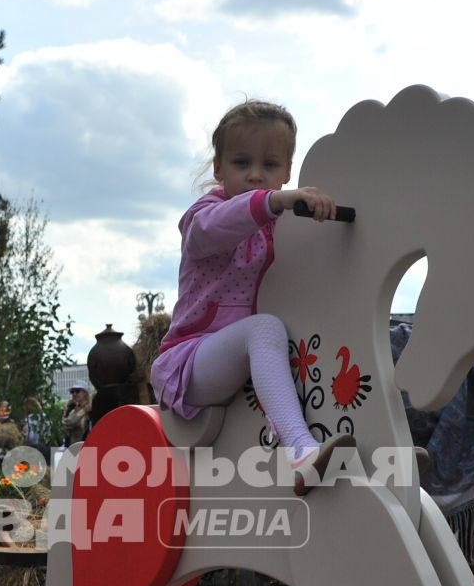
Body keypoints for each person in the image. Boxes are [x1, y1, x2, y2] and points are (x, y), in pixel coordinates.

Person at [150, 99, 350, 492]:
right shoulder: (204, 216)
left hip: (248, 356)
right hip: (192, 360)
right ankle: (300, 450)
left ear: (288, 170)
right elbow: (211, 230)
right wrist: (275, 201)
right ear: (219, 168)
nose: (256, 175)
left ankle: (380, 442)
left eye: (270, 165)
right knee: (264, 329)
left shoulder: (285, 228)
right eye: (242, 163)